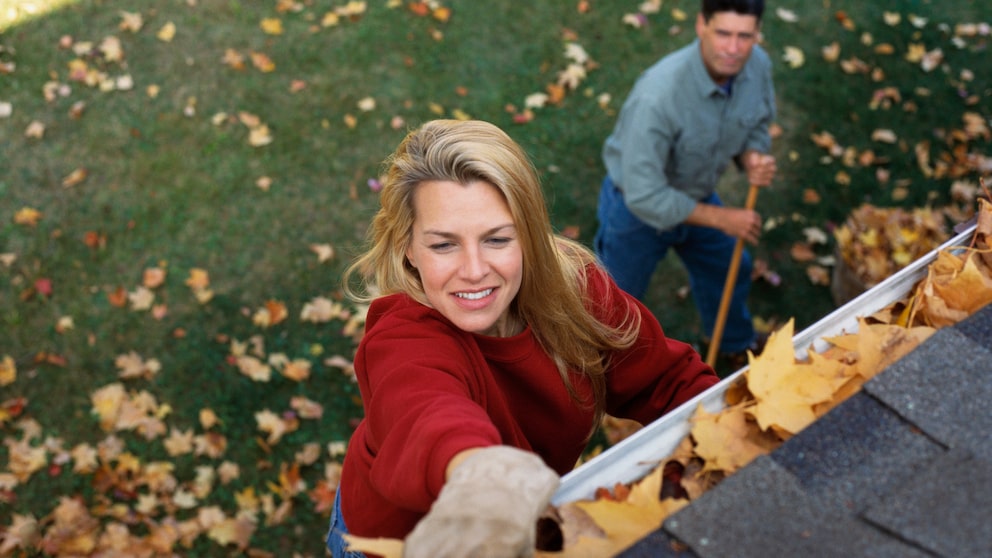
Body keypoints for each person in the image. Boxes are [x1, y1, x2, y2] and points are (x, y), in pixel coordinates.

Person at [326, 119, 719, 557]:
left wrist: (729, 439)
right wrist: (484, 477)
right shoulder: (403, 338)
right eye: (443, 245)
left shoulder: (575, 289)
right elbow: (425, 412)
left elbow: (670, 382)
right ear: (407, 247)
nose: (474, 270)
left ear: (529, 238)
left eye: (497, 239)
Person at [593, 0, 777, 367]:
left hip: (695, 191)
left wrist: (751, 156)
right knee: (613, 304)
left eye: (745, 36)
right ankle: (599, 369)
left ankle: (732, 341)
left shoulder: (757, 67)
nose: (733, 48)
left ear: (756, 34)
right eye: (723, 33)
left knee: (731, 266)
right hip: (635, 211)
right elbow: (645, 194)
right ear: (701, 26)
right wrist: (723, 219)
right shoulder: (658, 96)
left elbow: (757, 123)